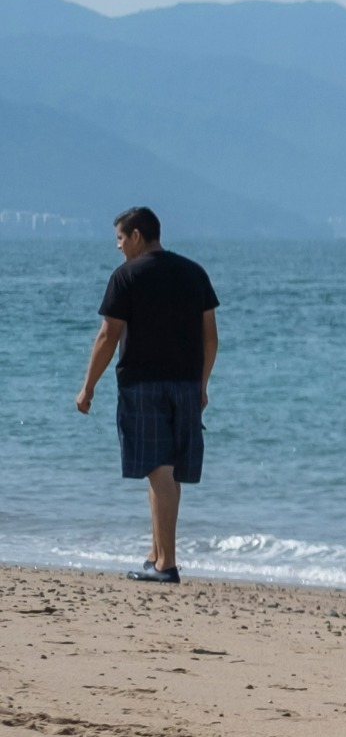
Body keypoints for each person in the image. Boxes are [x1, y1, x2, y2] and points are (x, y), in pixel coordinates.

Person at [74, 207, 218, 585]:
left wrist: (88, 386)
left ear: (137, 235)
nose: (119, 248)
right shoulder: (194, 272)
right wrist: (202, 384)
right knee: (167, 470)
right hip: (186, 384)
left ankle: (166, 564)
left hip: (143, 384)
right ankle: (156, 554)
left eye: (120, 240)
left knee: (158, 469)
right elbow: (210, 337)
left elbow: (108, 336)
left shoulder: (126, 277)